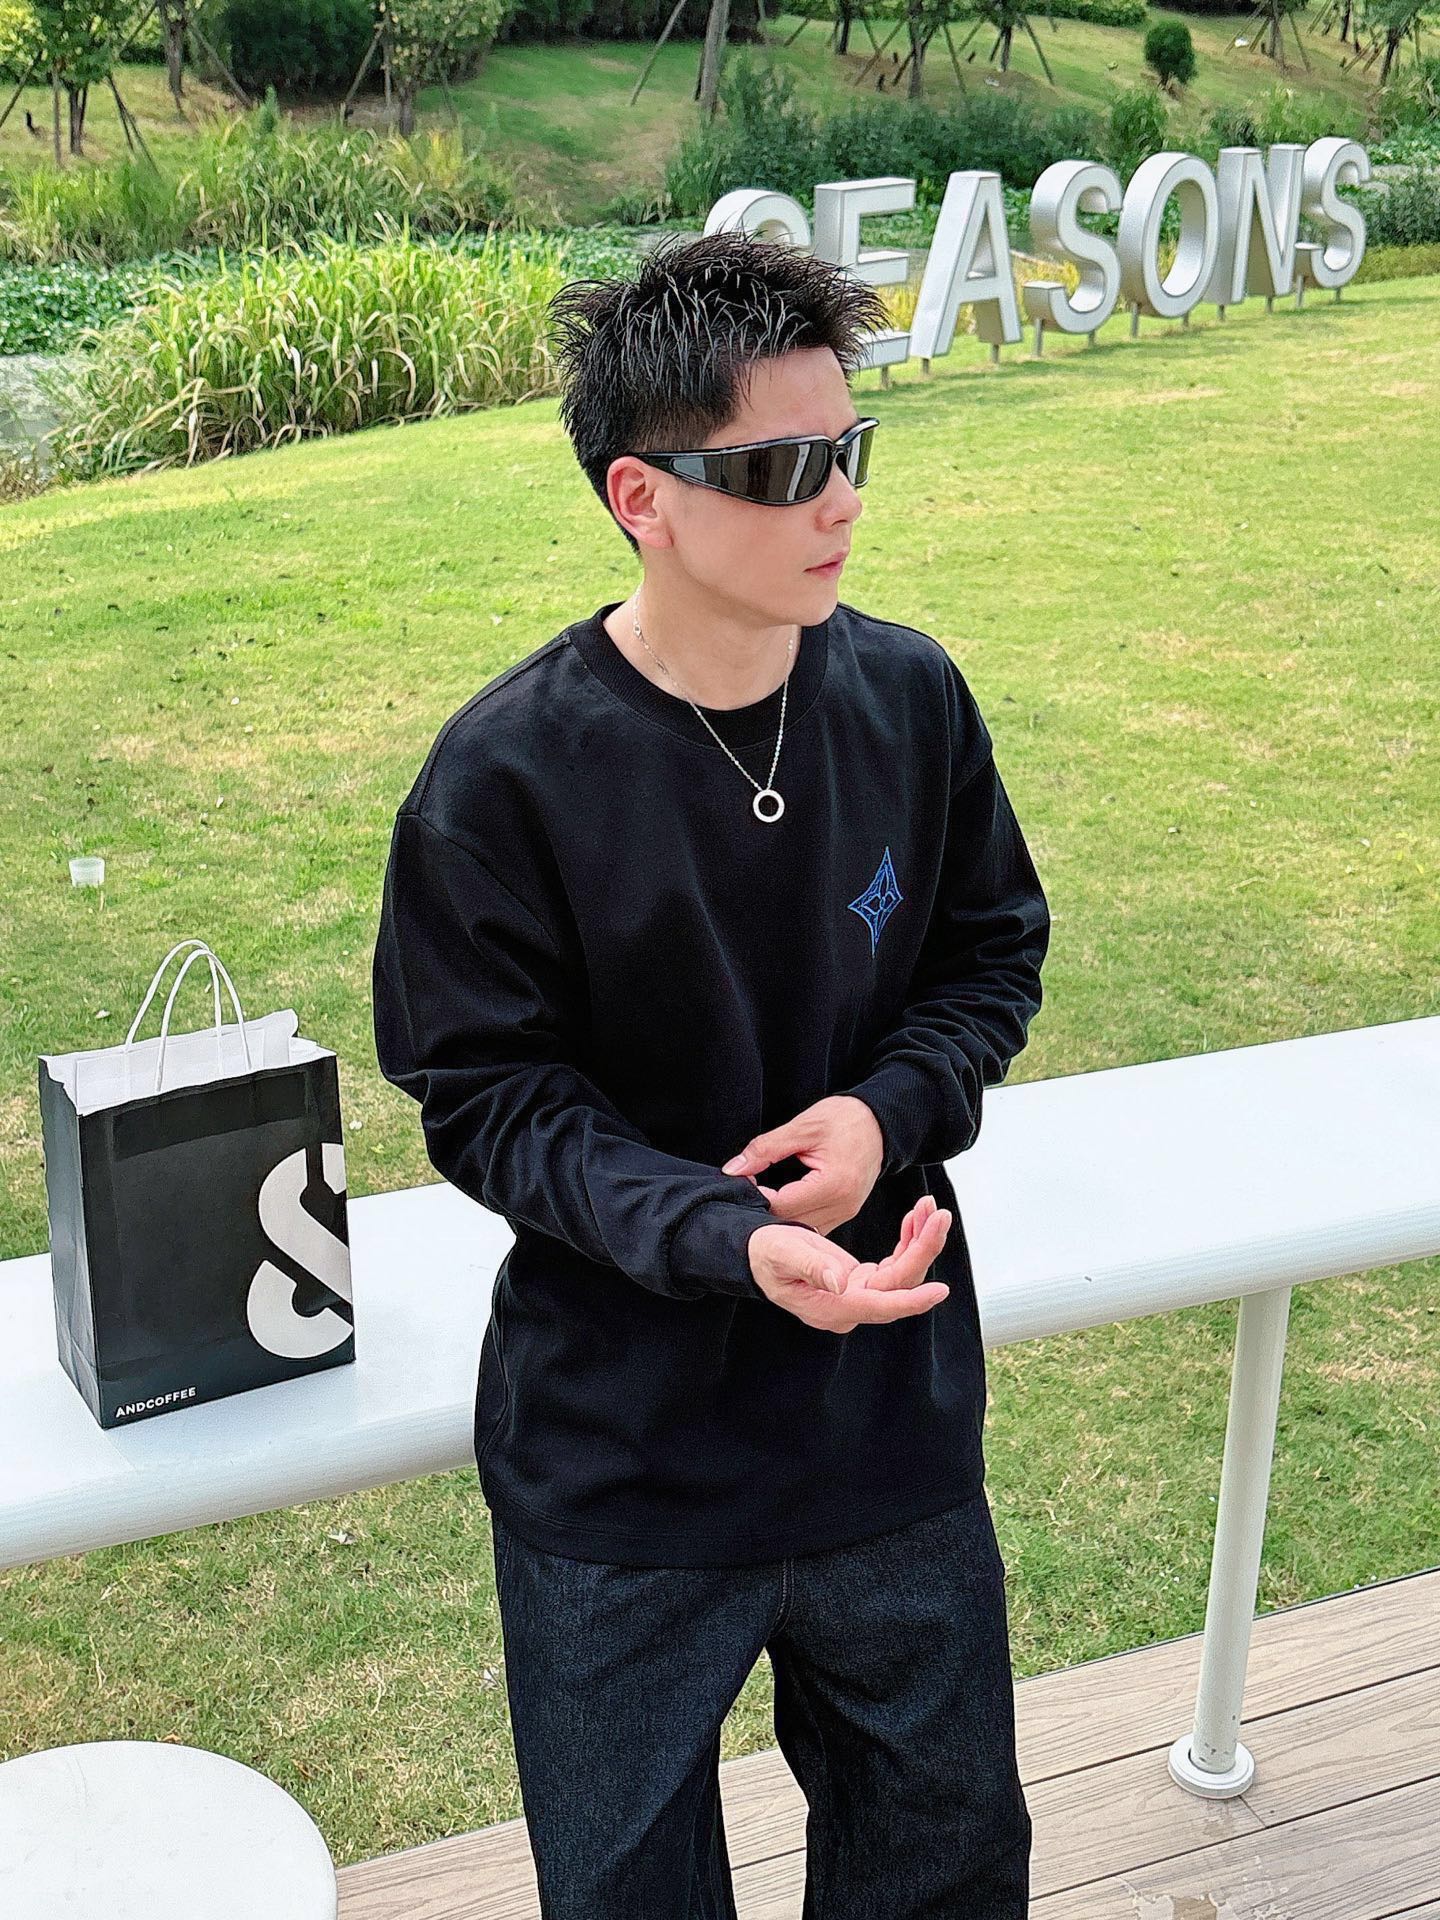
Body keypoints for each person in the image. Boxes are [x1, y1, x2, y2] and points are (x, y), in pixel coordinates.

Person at [371, 228, 1051, 1919]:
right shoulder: (502, 780)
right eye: (782, 466)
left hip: (888, 1425)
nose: (842, 501)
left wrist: (887, 1112)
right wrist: (727, 1238)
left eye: (852, 448)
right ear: (642, 498)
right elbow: (491, 1101)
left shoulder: (910, 698)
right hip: (622, 1462)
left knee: (947, 1870)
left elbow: (989, 955)